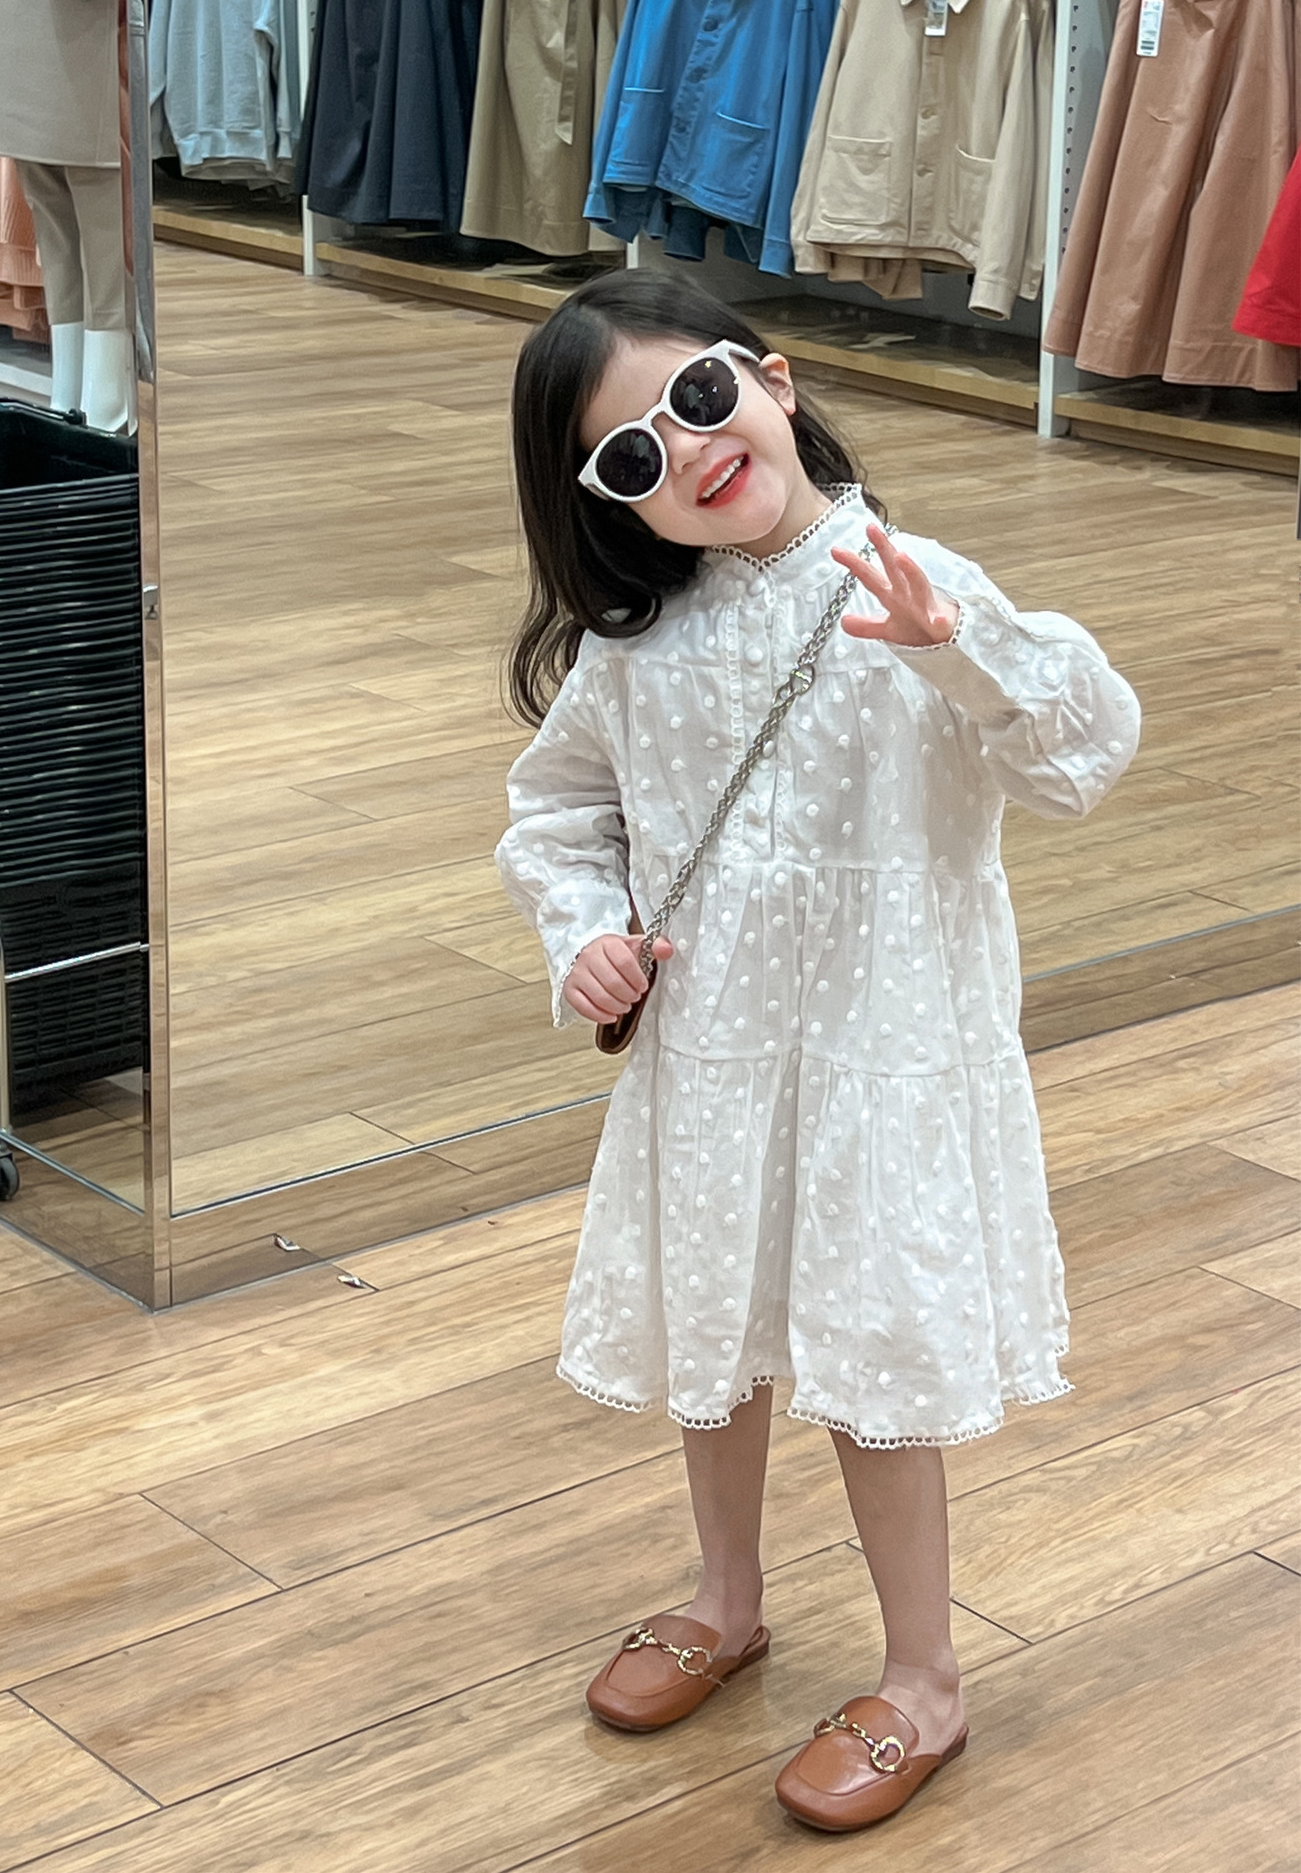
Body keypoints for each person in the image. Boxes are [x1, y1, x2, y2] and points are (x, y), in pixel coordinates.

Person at [494, 268, 1140, 1832]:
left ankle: (925, 1678)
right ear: (610, 505)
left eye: (698, 397)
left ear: (771, 380)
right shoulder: (637, 649)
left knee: (872, 1366)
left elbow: (1085, 753)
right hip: (711, 1063)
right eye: (633, 455)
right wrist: (583, 934)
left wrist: (952, 647)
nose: (688, 449)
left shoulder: (919, 584)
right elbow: (556, 812)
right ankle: (726, 1598)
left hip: (884, 1061)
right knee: (712, 1341)